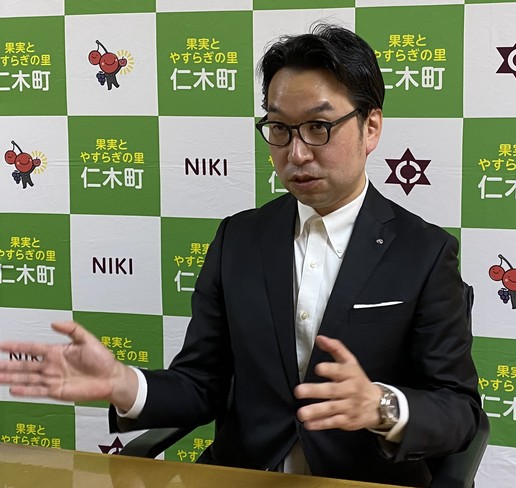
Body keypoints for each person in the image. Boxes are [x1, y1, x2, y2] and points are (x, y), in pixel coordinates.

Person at [0, 24, 481, 487]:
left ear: (370, 127)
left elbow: (460, 412)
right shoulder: (239, 239)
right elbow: (201, 383)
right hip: (242, 474)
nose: (296, 153)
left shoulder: (425, 252)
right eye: (279, 128)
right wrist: (126, 385)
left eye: (318, 127)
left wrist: (380, 405)